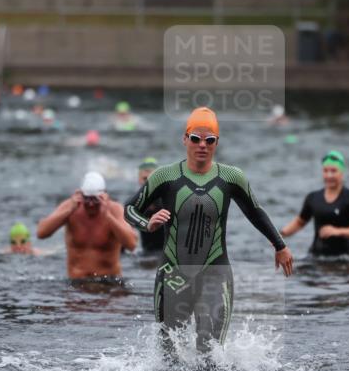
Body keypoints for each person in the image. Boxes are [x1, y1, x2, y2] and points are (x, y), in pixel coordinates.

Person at [125, 107, 293, 354]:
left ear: (217, 142)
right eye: (195, 138)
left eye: (209, 140)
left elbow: (255, 211)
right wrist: (147, 224)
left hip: (215, 273)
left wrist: (281, 246)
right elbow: (129, 209)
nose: (202, 145)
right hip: (173, 273)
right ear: (185, 139)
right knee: (169, 355)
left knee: (210, 354)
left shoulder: (231, 177)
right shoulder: (165, 176)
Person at [36, 171, 137, 279]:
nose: (91, 204)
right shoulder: (71, 207)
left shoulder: (115, 209)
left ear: (104, 195)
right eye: (87, 199)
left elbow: (131, 245)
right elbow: (41, 233)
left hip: (109, 283)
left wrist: (108, 216)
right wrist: (68, 211)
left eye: (95, 199)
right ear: (81, 194)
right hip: (77, 283)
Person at [280, 151, 349, 257]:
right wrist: (279, 236)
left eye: (334, 171)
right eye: (326, 171)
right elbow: (299, 222)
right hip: (315, 256)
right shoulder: (313, 197)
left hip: (342, 259)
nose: (329, 175)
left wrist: (337, 231)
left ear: (342, 172)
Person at [134, 157, 165, 254]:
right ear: (139, 180)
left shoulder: (168, 200)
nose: (148, 183)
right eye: (144, 179)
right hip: (146, 252)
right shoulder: (135, 203)